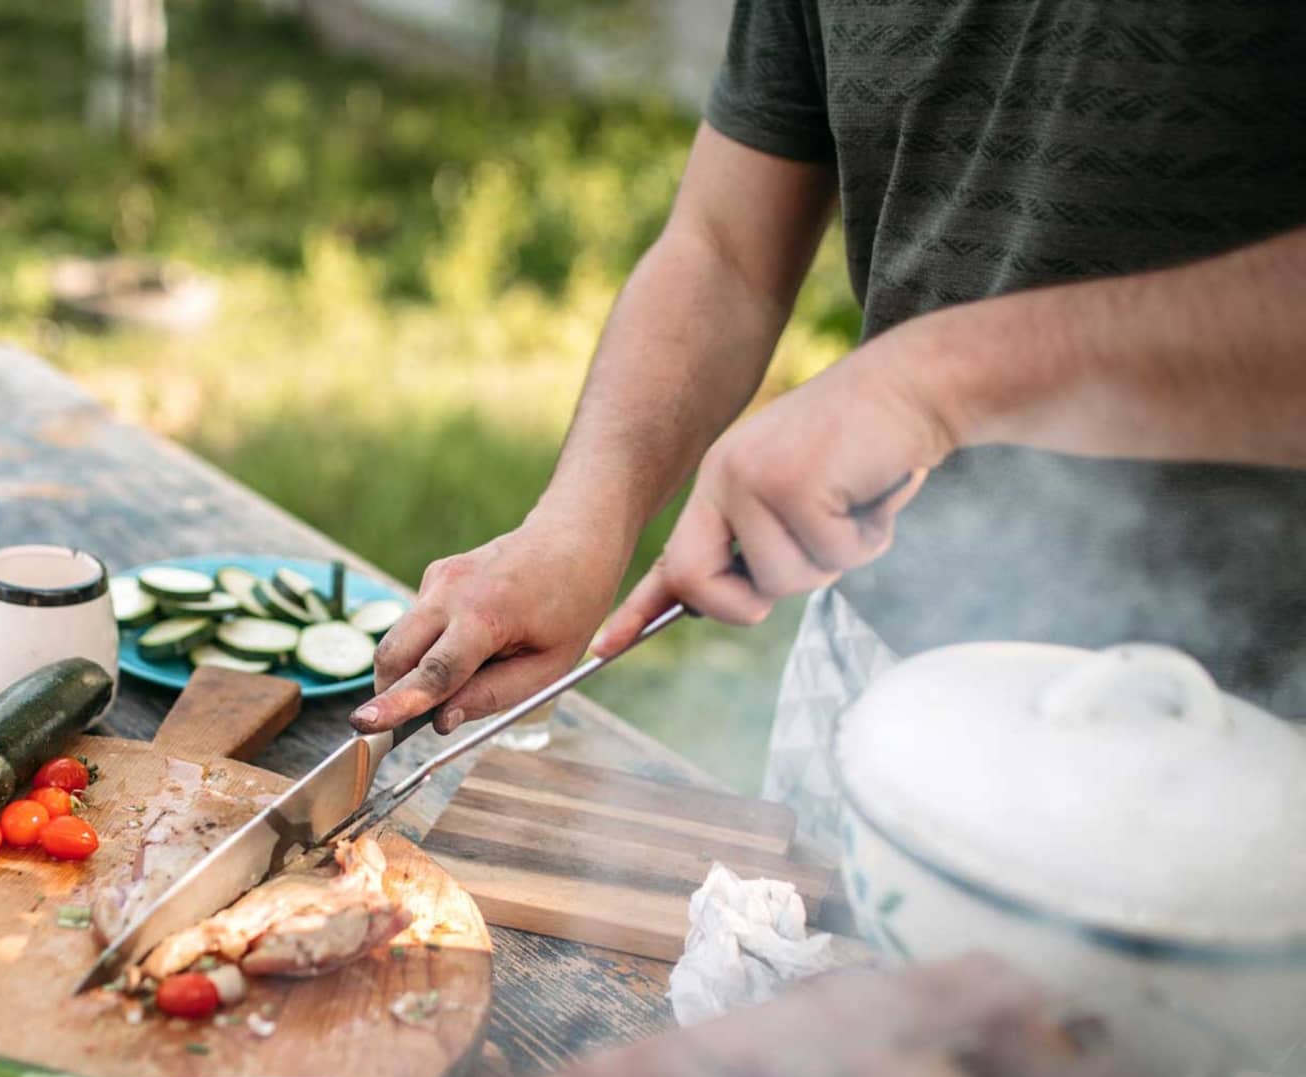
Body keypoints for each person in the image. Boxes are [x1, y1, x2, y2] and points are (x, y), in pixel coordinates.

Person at [352, 0, 1306, 852]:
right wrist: (581, 521)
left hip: (1249, 746)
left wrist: (932, 381)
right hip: (874, 669)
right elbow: (724, 251)